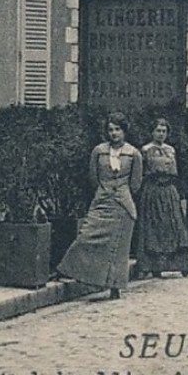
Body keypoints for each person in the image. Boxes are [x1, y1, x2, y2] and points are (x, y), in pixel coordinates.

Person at [56, 113, 143, 300]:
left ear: (125, 131)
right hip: (101, 201)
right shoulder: (99, 151)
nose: (114, 133)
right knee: (86, 236)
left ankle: (114, 287)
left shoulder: (134, 154)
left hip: (123, 206)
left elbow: (135, 184)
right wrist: (104, 192)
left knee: (117, 248)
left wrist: (120, 192)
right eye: (110, 129)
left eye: (118, 129)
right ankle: (74, 272)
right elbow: (93, 178)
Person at [134, 118, 188, 279]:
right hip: (152, 191)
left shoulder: (170, 150)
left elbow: (175, 171)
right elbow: (141, 173)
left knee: (176, 226)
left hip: (169, 191)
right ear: (152, 132)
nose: (161, 134)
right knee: (153, 227)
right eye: (158, 131)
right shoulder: (145, 150)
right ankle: (151, 266)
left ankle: (183, 265)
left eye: (164, 131)